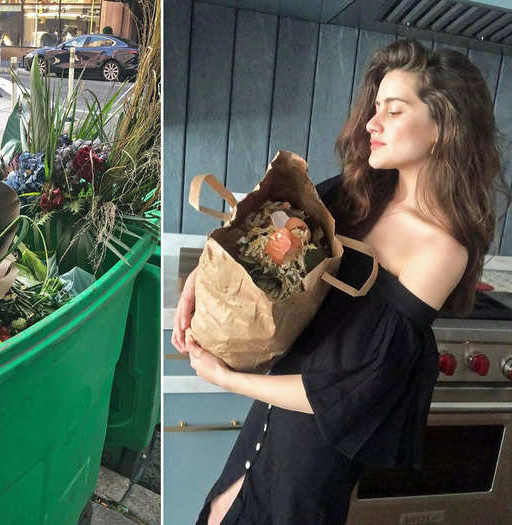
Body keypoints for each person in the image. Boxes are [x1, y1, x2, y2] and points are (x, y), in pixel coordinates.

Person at [172, 38, 508, 525]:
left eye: (393, 111)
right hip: (270, 420)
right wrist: (196, 284)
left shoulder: (440, 251)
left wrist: (226, 379)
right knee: (221, 511)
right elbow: (257, 243)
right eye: (376, 108)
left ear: (443, 127)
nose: (372, 124)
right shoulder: (356, 193)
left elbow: (346, 392)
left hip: (311, 456)